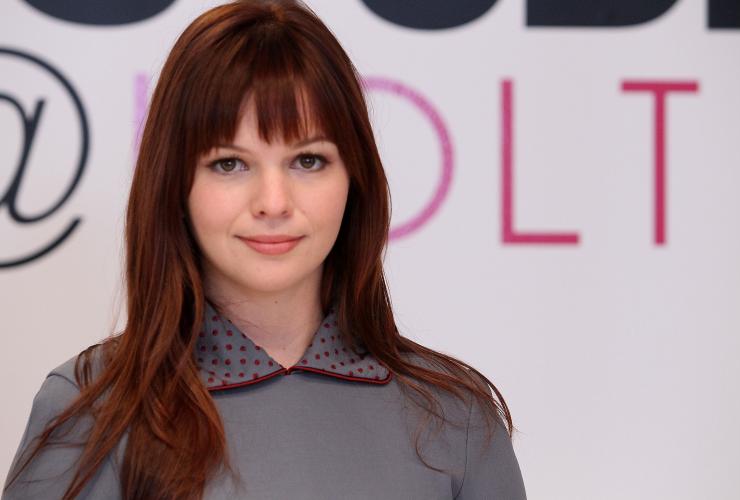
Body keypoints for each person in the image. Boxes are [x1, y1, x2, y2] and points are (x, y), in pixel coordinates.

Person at [2, 1, 526, 498]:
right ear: (175, 184)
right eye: (230, 163)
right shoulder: (88, 409)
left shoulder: (457, 419)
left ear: (356, 178)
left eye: (308, 161)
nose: (273, 202)